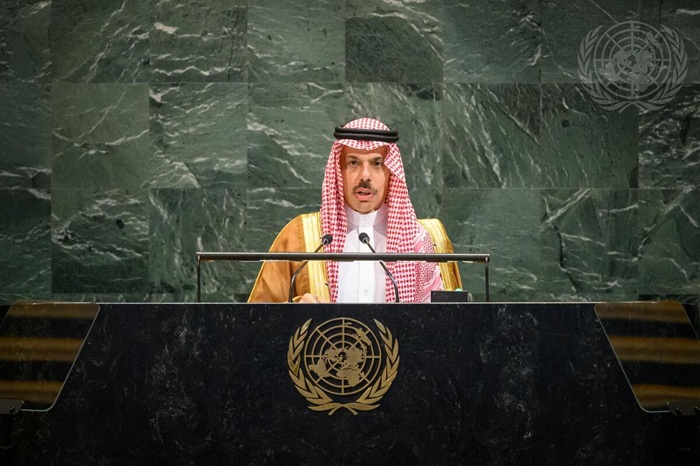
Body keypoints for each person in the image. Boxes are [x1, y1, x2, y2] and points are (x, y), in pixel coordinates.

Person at [247, 117, 461, 303]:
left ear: (390, 173)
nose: (365, 176)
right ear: (339, 170)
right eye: (353, 163)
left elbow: (445, 322)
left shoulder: (420, 242)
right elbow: (257, 320)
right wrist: (296, 311)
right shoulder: (299, 238)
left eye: (377, 163)